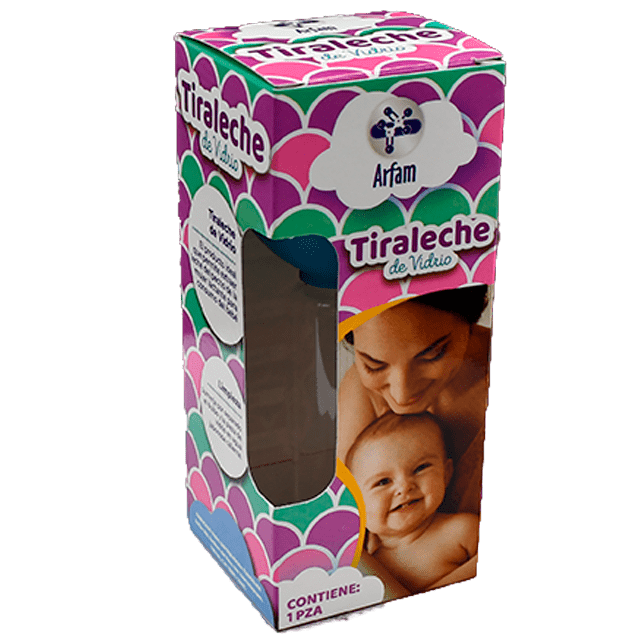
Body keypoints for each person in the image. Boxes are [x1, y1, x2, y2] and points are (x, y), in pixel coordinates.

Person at [338, 284, 489, 515]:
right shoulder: (361, 390)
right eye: (374, 365)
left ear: (470, 317)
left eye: (432, 355)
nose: (402, 395)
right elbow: (345, 516)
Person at [346, 412, 478, 593]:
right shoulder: (369, 566)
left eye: (420, 468)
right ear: (354, 503)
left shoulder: (461, 530)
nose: (404, 486)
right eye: (383, 482)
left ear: (445, 474)